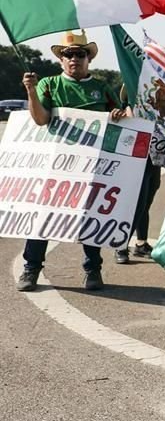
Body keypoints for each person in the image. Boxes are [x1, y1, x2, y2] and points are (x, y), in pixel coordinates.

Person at [17, 30, 126, 292]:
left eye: (80, 54)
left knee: (91, 216)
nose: (74, 58)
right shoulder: (49, 84)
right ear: (61, 59)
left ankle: (93, 270)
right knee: (42, 215)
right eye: (69, 54)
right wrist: (31, 91)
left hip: (93, 166)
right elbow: (41, 119)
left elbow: (124, 116)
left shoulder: (101, 87)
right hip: (55, 165)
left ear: (89, 59)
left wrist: (118, 113)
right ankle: (31, 268)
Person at [115, 84, 162, 264]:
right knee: (135, 205)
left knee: (145, 204)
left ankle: (141, 243)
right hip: (134, 163)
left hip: (153, 161)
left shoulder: (156, 109)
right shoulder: (126, 111)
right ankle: (120, 244)